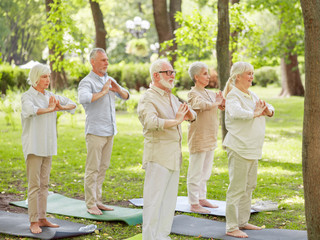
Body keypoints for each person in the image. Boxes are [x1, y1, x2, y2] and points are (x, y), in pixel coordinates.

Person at [137, 59, 196, 240]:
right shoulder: (148, 97)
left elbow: (190, 116)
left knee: (169, 202)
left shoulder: (171, 96)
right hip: (158, 156)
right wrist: (178, 121)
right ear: (156, 76)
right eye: (168, 72)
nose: (172, 76)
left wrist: (189, 114)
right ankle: (149, 237)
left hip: (173, 156)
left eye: (173, 72)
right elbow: (150, 122)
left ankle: (162, 236)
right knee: (153, 203)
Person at [21, 63, 77, 233]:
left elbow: (73, 104)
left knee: (44, 185)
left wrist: (60, 107)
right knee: (34, 186)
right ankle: (33, 221)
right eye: (44, 77)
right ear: (36, 78)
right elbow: (31, 110)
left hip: (48, 146)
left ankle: (42, 218)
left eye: (49, 76)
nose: (48, 80)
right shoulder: (27, 96)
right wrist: (49, 109)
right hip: (34, 147)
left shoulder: (51, 96)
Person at [223, 62, 274, 238]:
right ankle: (231, 227)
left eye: (252, 73)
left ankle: (242, 222)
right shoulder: (233, 96)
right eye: (248, 74)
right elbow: (237, 113)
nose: (252, 77)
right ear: (238, 76)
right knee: (237, 188)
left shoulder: (251, 94)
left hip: (252, 148)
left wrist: (267, 110)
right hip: (239, 148)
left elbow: (268, 106)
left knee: (249, 186)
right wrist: (255, 113)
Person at [78, 48, 130, 215]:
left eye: (107, 60)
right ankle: (90, 204)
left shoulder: (109, 79)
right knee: (92, 169)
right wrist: (103, 92)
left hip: (110, 131)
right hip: (95, 132)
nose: (106, 63)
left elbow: (126, 96)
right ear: (93, 62)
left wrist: (117, 90)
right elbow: (83, 98)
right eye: (103, 60)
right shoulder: (87, 82)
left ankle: (98, 200)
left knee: (103, 168)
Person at [186, 62, 225, 214]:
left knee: (206, 170)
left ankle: (202, 198)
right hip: (198, 137)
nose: (208, 76)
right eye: (204, 73)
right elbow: (201, 105)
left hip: (210, 136)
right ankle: (193, 202)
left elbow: (219, 104)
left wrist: (221, 102)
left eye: (208, 73)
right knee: (196, 170)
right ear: (196, 77)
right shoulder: (192, 94)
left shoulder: (210, 93)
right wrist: (216, 102)